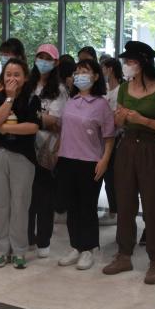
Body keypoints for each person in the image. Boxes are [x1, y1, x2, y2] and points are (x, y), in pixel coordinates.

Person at [103, 41, 155, 284]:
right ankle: (124, 255)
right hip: (126, 147)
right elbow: (118, 122)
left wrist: (142, 120)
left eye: (131, 61)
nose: (126, 65)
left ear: (143, 63)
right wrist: (120, 118)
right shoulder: (125, 88)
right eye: (126, 61)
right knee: (124, 203)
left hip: (149, 147)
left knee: (153, 205)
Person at [56, 58, 116, 271]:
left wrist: (104, 160)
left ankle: (89, 248)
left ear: (96, 76)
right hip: (67, 159)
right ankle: (75, 246)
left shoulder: (101, 104)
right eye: (78, 71)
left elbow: (109, 136)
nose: (80, 75)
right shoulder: (71, 101)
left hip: (90, 161)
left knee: (87, 207)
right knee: (72, 206)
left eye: (85, 71)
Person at [0, 58, 40, 269]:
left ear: (25, 78)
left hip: (23, 157)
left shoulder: (32, 99)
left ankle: (19, 250)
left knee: (20, 204)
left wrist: (6, 129)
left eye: (17, 74)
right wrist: (9, 98)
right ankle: (1, 249)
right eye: (8, 74)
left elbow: (32, 127)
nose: (12, 78)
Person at [26, 44, 66, 257]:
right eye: (40, 57)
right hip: (25, 148)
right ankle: (27, 237)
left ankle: (43, 241)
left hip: (47, 151)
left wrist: (32, 116)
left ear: (55, 62)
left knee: (44, 198)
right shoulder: (27, 85)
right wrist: (41, 118)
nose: (43, 62)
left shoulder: (59, 90)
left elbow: (56, 121)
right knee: (25, 196)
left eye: (47, 58)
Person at [97, 57, 123, 226]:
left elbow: (118, 116)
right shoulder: (104, 89)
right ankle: (112, 210)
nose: (101, 71)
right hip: (100, 137)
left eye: (103, 68)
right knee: (103, 176)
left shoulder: (121, 90)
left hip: (116, 137)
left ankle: (115, 211)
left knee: (112, 176)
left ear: (110, 69)